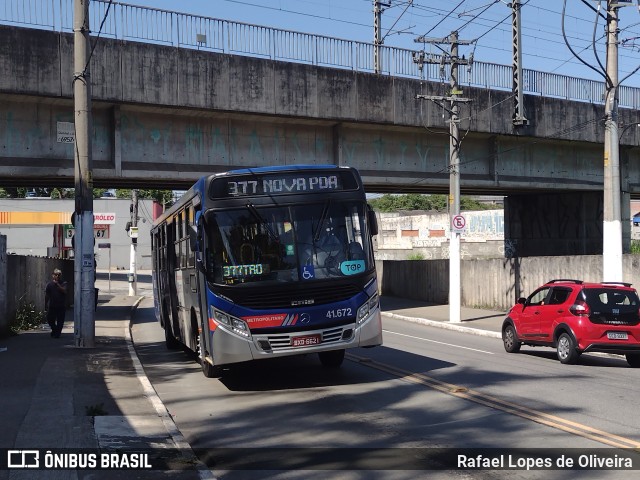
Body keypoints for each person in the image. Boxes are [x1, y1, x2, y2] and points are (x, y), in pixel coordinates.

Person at [45, 268, 67, 338]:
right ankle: (54, 330)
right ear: (53, 275)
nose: (57, 276)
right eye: (56, 275)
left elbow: (64, 291)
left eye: (59, 275)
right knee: (50, 319)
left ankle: (57, 334)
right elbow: (47, 295)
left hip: (61, 305)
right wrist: (45, 303)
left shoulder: (63, 283)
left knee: (60, 321)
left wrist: (57, 284)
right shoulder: (49, 285)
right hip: (52, 305)